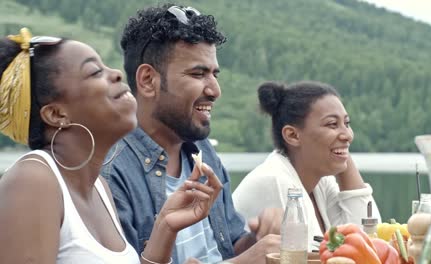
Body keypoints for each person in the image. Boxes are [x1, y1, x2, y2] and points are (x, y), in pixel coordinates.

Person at [0, 28, 223, 264]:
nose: (116, 73)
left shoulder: (100, 188)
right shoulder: (33, 181)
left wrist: (165, 227)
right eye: (95, 72)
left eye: (105, 66)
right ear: (56, 114)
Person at [101, 3, 281, 264]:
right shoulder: (110, 173)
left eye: (214, 74)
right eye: (198, 73)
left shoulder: (202, 150)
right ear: (148, 81)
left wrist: (258, 239)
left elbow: (228, 245)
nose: (215, 90)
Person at [232, 81, 382, 250]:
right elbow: (310, 257)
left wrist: (341, 152)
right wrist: (338, 148)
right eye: (332, 124)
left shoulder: (319, 181)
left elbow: (369, 239)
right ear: (292, 135)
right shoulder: (275, 180)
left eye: (347, 124)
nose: (348, 135)